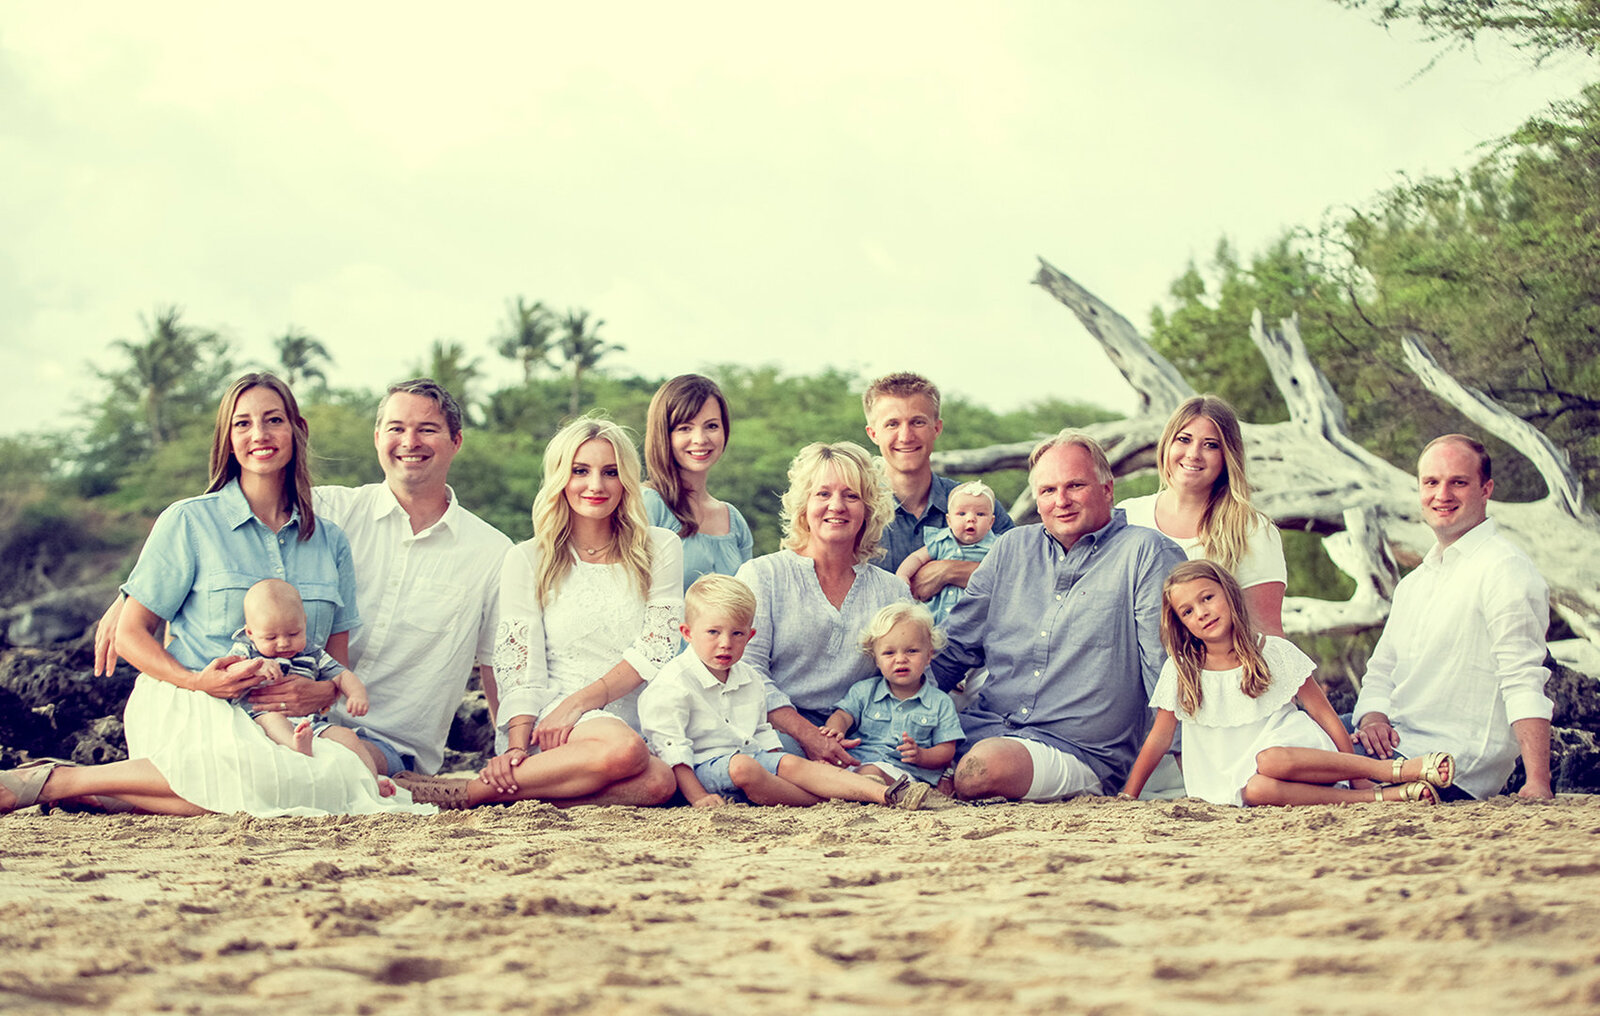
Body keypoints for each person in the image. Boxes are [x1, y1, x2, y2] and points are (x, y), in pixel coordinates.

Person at [4, 374, 434, 817]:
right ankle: (58, 779)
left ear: (297, 430)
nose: (260, 435)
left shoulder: (330, 541)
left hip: (284, 722)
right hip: (191, 702)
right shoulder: (189, 521)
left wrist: (321, 692)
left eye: (273, 420)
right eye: (242, 424)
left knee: (327, 777)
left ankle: (106, 794)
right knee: (272, 777)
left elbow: (336, 659)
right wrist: (197, 681)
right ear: (227, 439)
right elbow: (131, 634)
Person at [399, 416, 681, 809]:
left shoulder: (660, 548)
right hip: (549, 720)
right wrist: (517, 743)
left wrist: (580, 703)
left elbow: (659, 644)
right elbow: (519, 662)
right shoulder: (528, 558)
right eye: (580, 471)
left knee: (657, 783)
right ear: (560, 477)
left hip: (628, 716)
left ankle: (496, 795)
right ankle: (479, 788)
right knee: (624, 750)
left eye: (610, 472)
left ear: (627, 481)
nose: (595, 485)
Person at [930, 430, 1188, 802]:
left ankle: (946, 778)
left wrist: (1189, 765)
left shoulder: (1146, 553)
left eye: (1075, 486)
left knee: (981, 769)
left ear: (1107, 489)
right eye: (1048, 491)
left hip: (1079, 751)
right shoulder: (1011, 547)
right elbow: (955, 647)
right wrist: (894, 707)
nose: (1061, 501)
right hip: (984, 726)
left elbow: (1167, 671)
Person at [1120, 561, 1452, 806]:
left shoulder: (1273, 652)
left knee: (1269, 760)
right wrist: (1128, 795)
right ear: (1180, 624)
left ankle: (1393, 771)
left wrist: (1357, 777)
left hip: (1291, 749)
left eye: (1208, 598)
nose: (1202, 613)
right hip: (1230, 779)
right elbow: (1158, 739)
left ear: (1229, 594)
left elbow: (1324, 714)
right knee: (1256, 790)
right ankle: (1381, 797)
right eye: (1187, 611)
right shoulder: (1182, 671)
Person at [1350, 435, 1555, 801]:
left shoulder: (1505, 569)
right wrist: (1373, 720)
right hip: (1394, 747)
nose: (1441, 494)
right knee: (1277, 749)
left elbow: (1522, 677)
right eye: (1431, 482)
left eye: (1458, 482)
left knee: (1279, 763)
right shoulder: (1414, 584)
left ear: (1485, 489)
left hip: (1454, 764)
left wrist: (1538, 781)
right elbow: (1381, 672)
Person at [639, 575, 930, 809]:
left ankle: (884, 794)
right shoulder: (674, 683)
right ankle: (836, 799)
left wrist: (781, 764)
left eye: (737, 634)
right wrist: (698, 798)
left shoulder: (749, 678)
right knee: (744, 767)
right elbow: (672, 750)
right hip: (700, 771)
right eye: (713, 633)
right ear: (687, 633)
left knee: (789, 761)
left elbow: (762, 733)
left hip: (748, 759)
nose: (725, 643)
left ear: (750, 636)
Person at [735, 442, 911, 767]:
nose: (837, 505)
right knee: (772, 763)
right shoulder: (762, 575)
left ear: (869, 508)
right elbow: (748, 670)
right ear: (803, 505)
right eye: (823, 494)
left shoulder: (893, 592)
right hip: (779, 729)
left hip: (861, 735)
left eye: (851, 495)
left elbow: (903, 679)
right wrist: (808, 735)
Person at [1119, 395, 1286, 635]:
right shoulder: (1127, 515)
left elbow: (1267, 634)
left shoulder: (1252, 529)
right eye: (1184, 439)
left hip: (1213, 672)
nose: (1193, 454)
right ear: (1167, 443)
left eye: (1211, 445)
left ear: (1227, 456)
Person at [862, 372, 1012, 595]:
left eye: (918, 422)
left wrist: (950, 571)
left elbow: (1024, 575)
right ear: (873, 433)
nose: (905, 436)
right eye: (892, 424)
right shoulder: (857, 508)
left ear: (937, 428)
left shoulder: (976, 502)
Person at [228, 579, 374, 764]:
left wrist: (357, 694)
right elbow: (229, 671)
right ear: (250, 632)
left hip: (310, 722)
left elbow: (342, 675)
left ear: (304, 622)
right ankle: (295, 745)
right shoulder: (247, 650)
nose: (283, 643)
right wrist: (255, 666)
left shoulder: (313, 653)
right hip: (262, 716)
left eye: (293, 634)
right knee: (272, 720)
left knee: (349, 737)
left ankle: (373, 781)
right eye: (271, 637)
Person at [820, 601, 964, 787]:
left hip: (904, 773)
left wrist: (921, 755)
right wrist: (835, 731)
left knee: (870, 773)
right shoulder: (864, 691)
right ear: (876, 659)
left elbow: (946, 750)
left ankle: (862, 787)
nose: (901, 659)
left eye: (912, 651)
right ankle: (852, 786)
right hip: (858, 761)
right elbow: (842, 715)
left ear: (928, 655)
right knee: (820, 767)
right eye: (889, 653)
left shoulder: (940, 702)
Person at [643, 374, 753, 589]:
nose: (700, 439)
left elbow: (746, 605)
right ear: (663, 434)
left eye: (711, 426)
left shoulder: (735, 520)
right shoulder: (648, 504)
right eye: (685, 428)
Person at [893, 480, 999, 625]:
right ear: (949, 520)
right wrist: (903, 575)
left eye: (980, 514)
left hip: (975, 622)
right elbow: (917, 557)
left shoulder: (996, 548)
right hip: (934, 620)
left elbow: (1004, 574)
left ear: (991, 523)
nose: (970, 519)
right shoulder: (941, 541)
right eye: (961, 513)